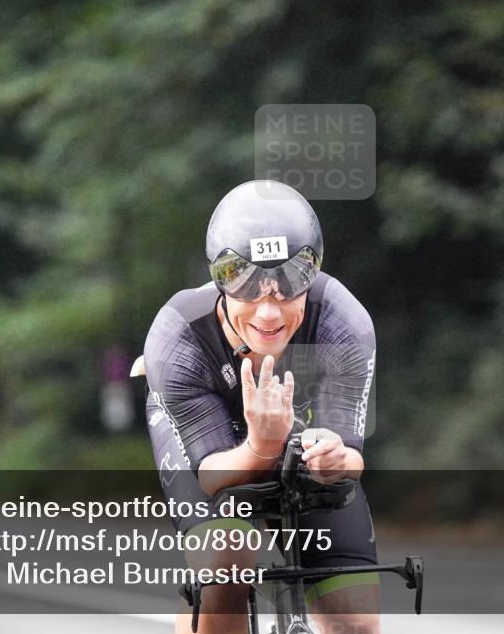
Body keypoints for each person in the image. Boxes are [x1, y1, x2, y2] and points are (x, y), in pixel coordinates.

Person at [143, 180, 379, 634]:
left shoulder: (342, 322)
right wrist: (261, 447)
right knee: (228, 558)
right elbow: (211, 475)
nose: (268, 313)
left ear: (311, 277)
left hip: (293, 440)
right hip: (214, 454)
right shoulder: (179, 337)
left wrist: (333, 459)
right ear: (220, 280)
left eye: (288, 288)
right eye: (248, 289)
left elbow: (349, 456)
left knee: (356, 620)